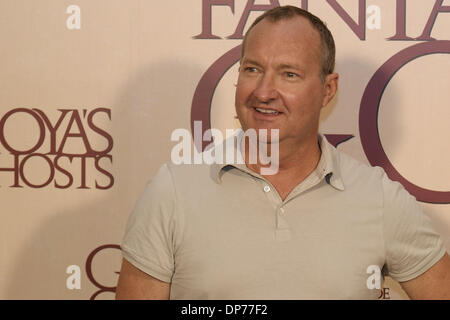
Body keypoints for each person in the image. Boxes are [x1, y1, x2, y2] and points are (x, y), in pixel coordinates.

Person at [116, 6, 449, 299]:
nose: (263, 92)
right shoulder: (171, 192)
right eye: (253, 69)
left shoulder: (379, 199)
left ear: (327, 89)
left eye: (289, 74)